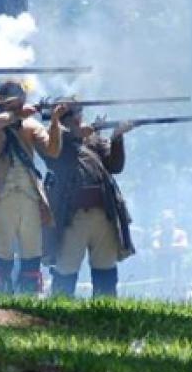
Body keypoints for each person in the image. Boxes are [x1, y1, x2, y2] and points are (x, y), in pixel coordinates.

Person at [0, 80, 65, 294]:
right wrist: (17, 116)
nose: (14, 107)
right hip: (1, 195)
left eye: (16, 104)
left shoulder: (31, 125)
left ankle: (28, 298)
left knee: (31, 251)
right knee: (3, 251)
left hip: (30, 196)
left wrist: (54, 122)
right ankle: (3, 297)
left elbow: (52, 151)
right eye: (10, 104)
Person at [40, 103, 136, 298]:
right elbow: (55, 152)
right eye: (73, 115)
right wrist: (63, 126)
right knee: (66, 269)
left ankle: (105, 312)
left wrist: (117, 137)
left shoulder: (92, 140)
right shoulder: (55, 140)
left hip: (103, 214)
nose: (78, 118)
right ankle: (60, 314)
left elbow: (115, 166)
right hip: (72, 217)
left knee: (105, 268)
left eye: (78, 113)